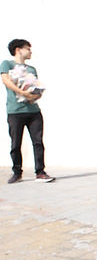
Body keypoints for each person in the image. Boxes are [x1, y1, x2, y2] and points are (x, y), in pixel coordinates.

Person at [1, 39, 54, 183]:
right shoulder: (7, 64)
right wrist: (22, 93)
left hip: (34, 111)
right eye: (28, 49)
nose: (30, 51)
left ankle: (40, 172)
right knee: (16, 143)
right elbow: (6, 81)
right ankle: (17, 172)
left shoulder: (32, 69)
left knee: (38, 142)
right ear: (18, 50)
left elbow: (36, 87)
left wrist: (36, 95)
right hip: (15, 111)